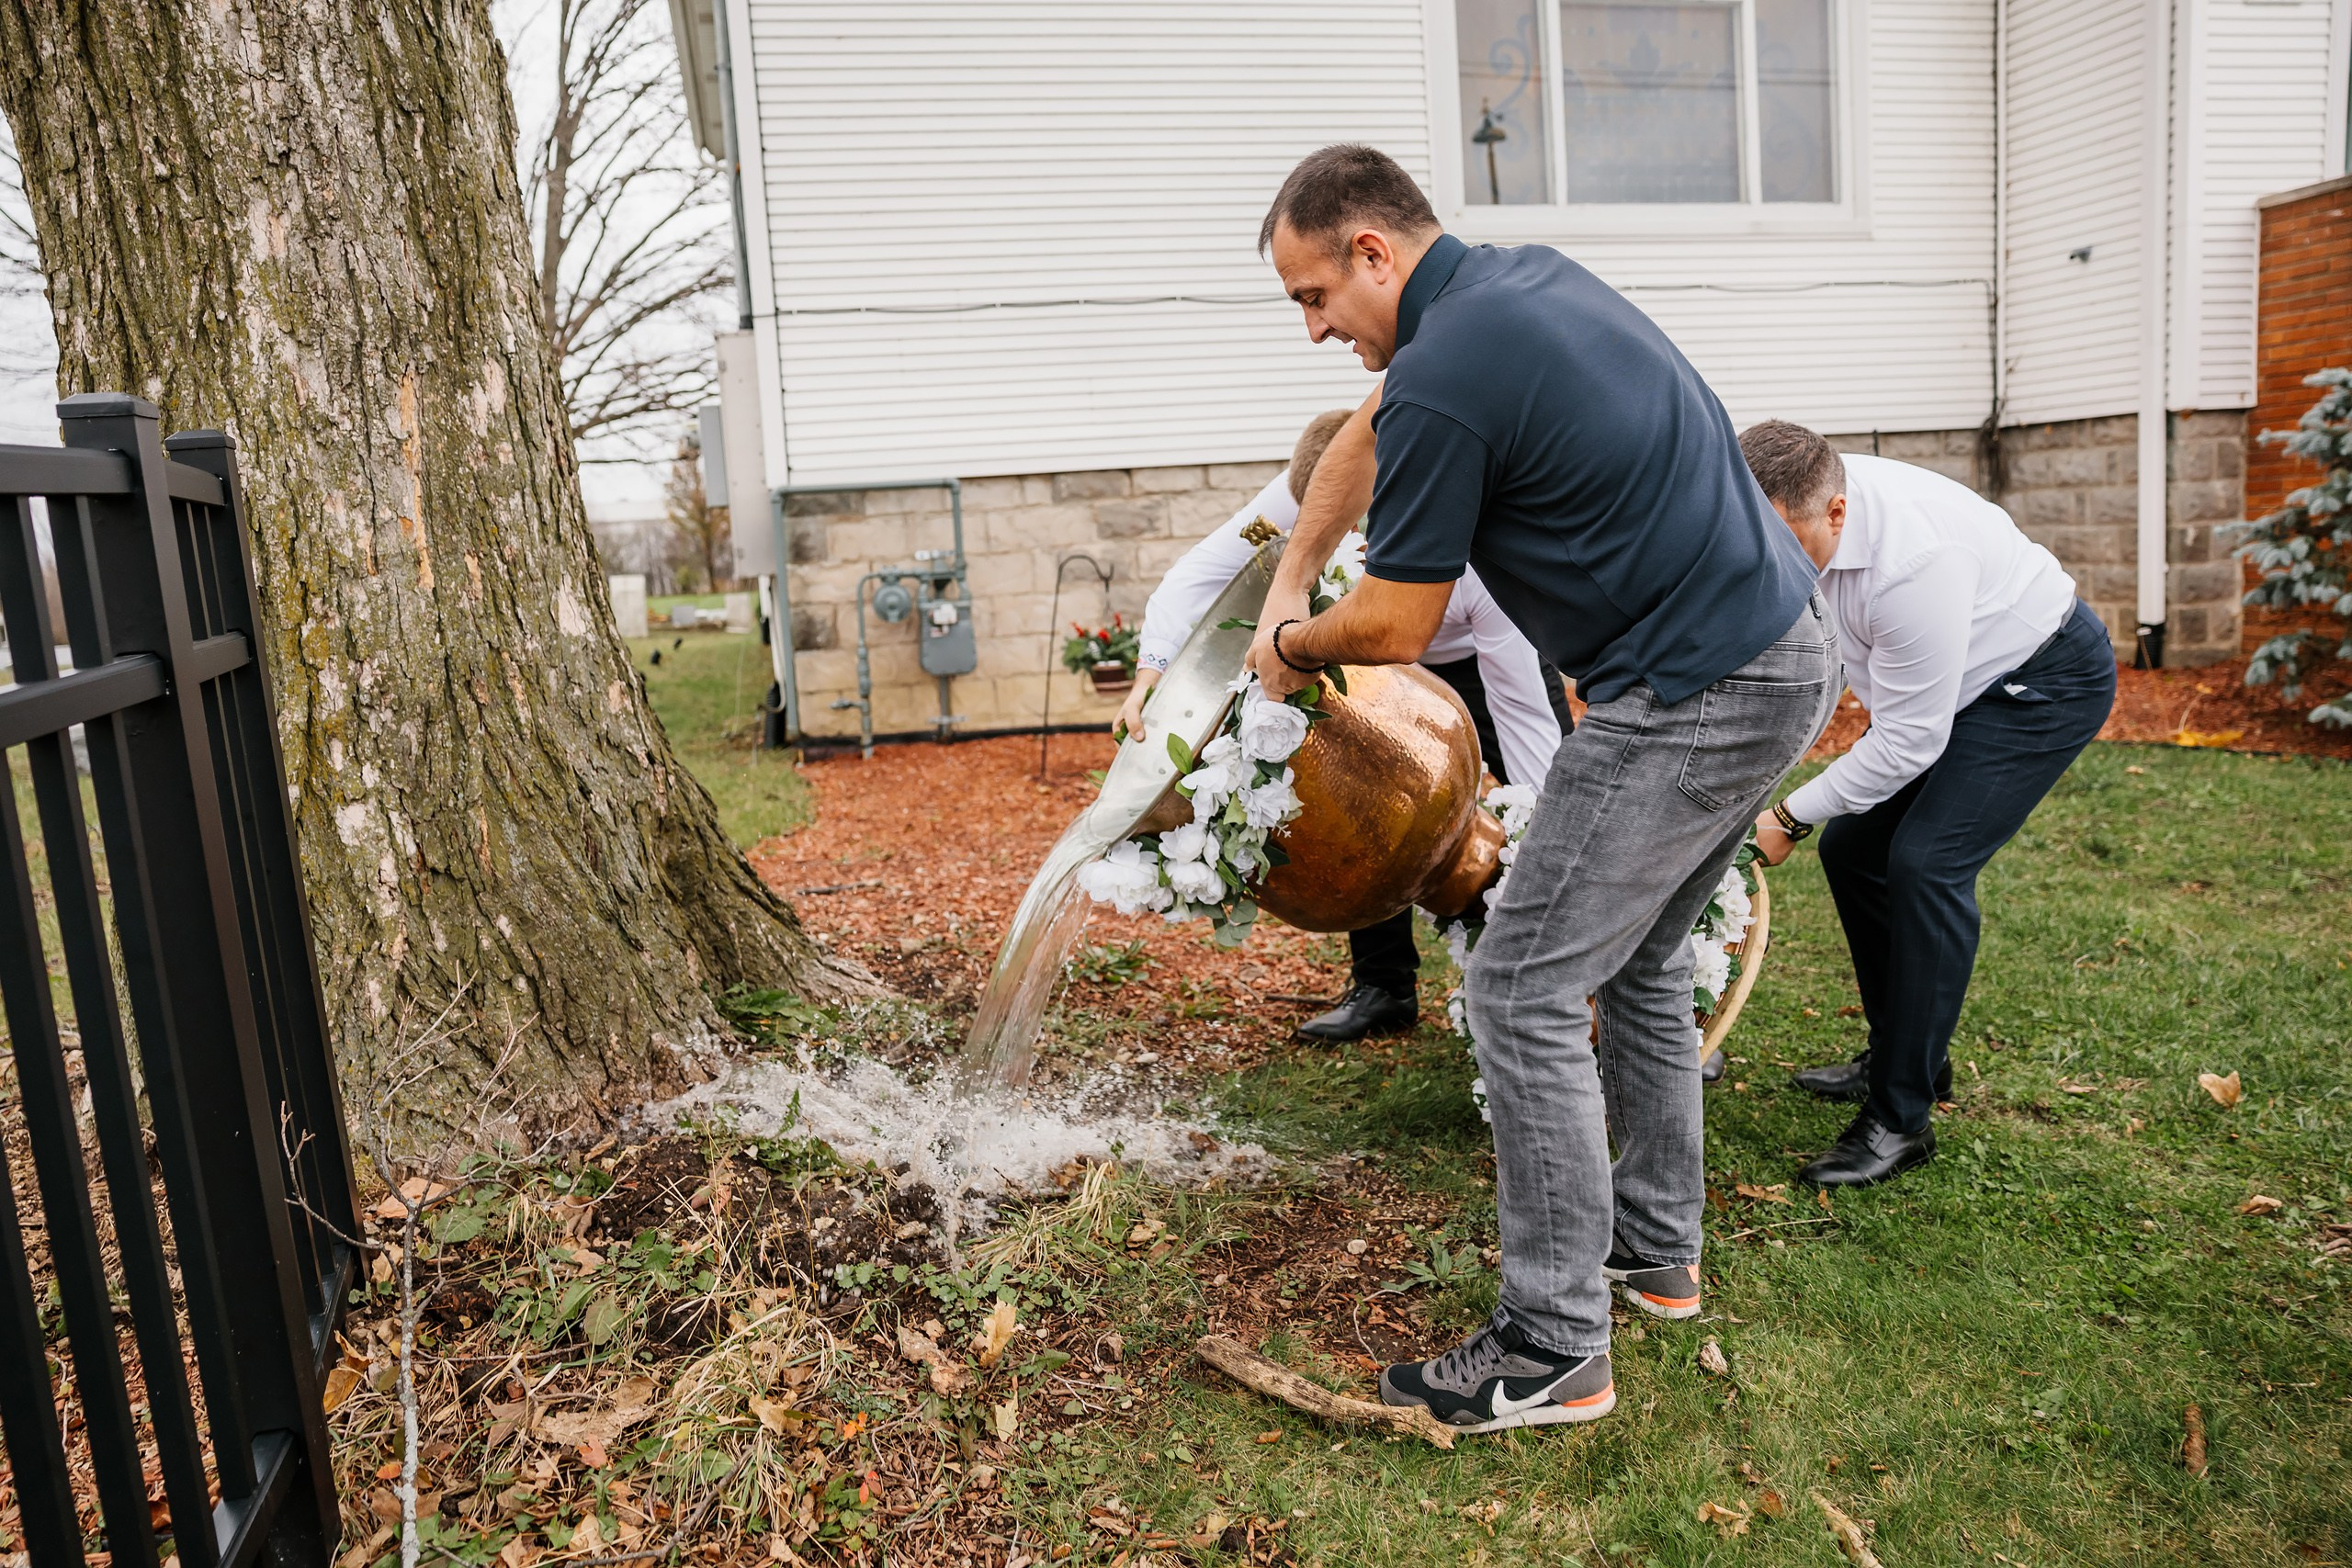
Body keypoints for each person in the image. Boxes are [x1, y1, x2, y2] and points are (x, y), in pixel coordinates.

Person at [1245, 145, 1837, 1434]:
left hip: (1692, 685)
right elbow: (1364, 433)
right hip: (1777, 648)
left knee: (1518, 978)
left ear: (1372, 253)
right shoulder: (1513, 288)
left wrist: (1290, 648)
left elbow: (1398, 622)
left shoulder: (1451, 367)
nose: (1313, 328)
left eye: (1314, 296)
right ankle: (1655, 1249)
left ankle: (1552, 1340)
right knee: (1637, 956)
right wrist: (1290, 573)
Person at [1114, 408, 1571, 1042]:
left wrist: (1554, 840)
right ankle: (1384, 985)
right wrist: (1150, 674)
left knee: (1548, 802)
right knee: (1356, 790)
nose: (1349, 535)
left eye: (1362, 522)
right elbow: (1190, 580)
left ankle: (1556, 977)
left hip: (1477, 654)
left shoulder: (1479, 545)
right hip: (1361, 650)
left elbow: (1522, 711)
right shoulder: (1304, 495)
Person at [1739, 421, 2117, 1186]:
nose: (1765, 559)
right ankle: (1907, 1053)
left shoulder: (1914, 564)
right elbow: (1822, 679)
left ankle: (1900, 1119)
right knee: (1853, 851)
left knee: (1926, 863)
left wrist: (1786, 816)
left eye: (1783, 539)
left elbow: (1910, 740)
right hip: (1954, 684)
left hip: (2038, 681)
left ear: (1836, 514)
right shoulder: (1801, 518)